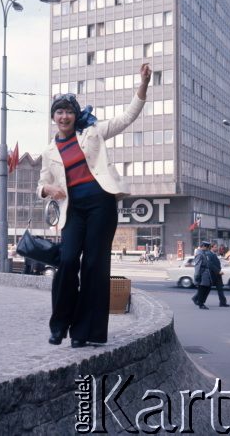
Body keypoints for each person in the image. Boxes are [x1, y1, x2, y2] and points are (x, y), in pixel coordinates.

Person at [37, 63, 151, 348]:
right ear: (54, 117)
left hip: (101, 203)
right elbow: (41, 184)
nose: (64, 116)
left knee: (94, 265)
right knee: (67, 260)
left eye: (69, 111)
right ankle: (59, 325)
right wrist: (47, 189)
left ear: (76, 116)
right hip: (73, 209)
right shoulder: (49, 152)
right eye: (59, 111)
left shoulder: (93, 133)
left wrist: (144, 84)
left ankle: (85, 333)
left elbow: (127, 117)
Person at [207, 242, 229, 307]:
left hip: (217, 275)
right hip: (213, 275)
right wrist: (218, 271)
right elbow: (210, 265)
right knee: (205, 289)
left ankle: (222, 303)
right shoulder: (209, 254)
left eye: (217, 247)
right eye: (215, 247)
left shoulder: (214, 254)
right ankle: (196, 298)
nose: (217, 248)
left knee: (220, 289)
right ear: (211, 247)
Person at [192, 241, 212, 309]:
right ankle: (201, 304)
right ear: (203, 246)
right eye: (206, 246)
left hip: (206, 273)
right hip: (202, 273)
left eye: (208, 247)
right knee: (202, 289)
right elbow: (197, 265)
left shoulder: (203, 253)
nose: (207, 248)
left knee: (207, 288)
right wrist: (197, 275)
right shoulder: (199, 254)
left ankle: (197, 300)